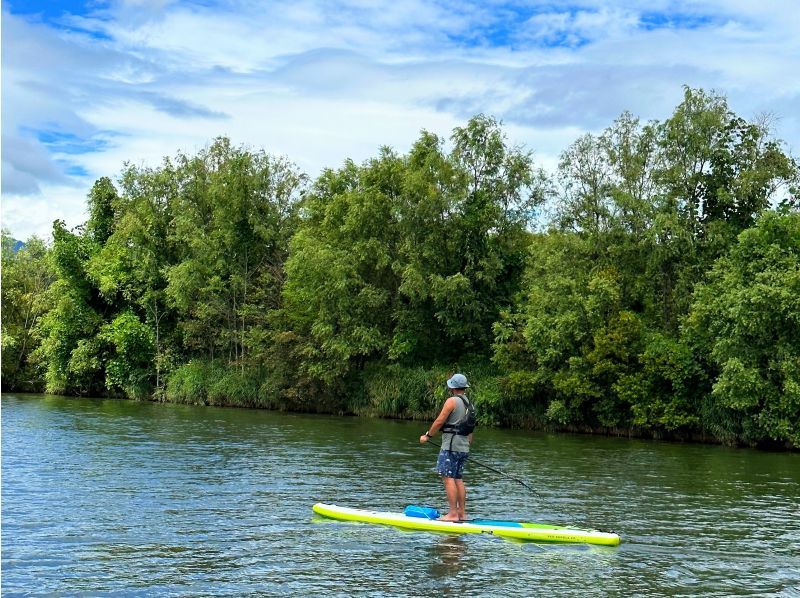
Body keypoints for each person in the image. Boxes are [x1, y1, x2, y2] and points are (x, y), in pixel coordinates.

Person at [419, 373, 475, 521]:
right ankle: (462, 513)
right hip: (464, 447)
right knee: (458, 478)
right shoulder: (469, 403)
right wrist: (466, 446)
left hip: (451, 446)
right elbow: (470, 429)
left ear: (452, 387)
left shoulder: (452, 401)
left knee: (448, 478)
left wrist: (427, 436)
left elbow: (439, 421)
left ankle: (452, 514)